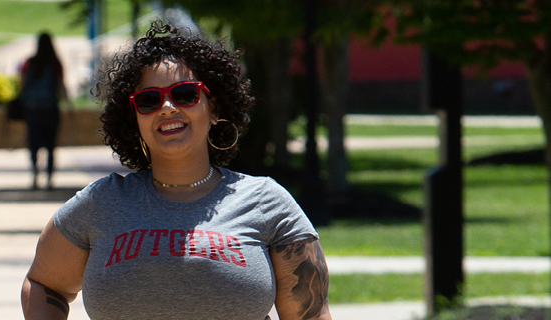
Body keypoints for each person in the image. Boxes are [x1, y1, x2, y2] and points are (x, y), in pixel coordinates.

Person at [20, 22, 331, 320]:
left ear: (214, 108)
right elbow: (44, 284)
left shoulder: (267, 203)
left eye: (185, 94)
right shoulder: (100, 204)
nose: (167, 107)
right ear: (135, 119)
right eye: (149, 100)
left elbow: (312, 315)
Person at [19, 32, 69, 190]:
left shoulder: (30, 62)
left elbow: (21, 84)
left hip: (33, 109)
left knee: (33, 143)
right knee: (50, 144)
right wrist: (67, 104)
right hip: (50, 108)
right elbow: (61, 85)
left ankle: (34, 174)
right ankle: (49, 178)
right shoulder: (55, 63)